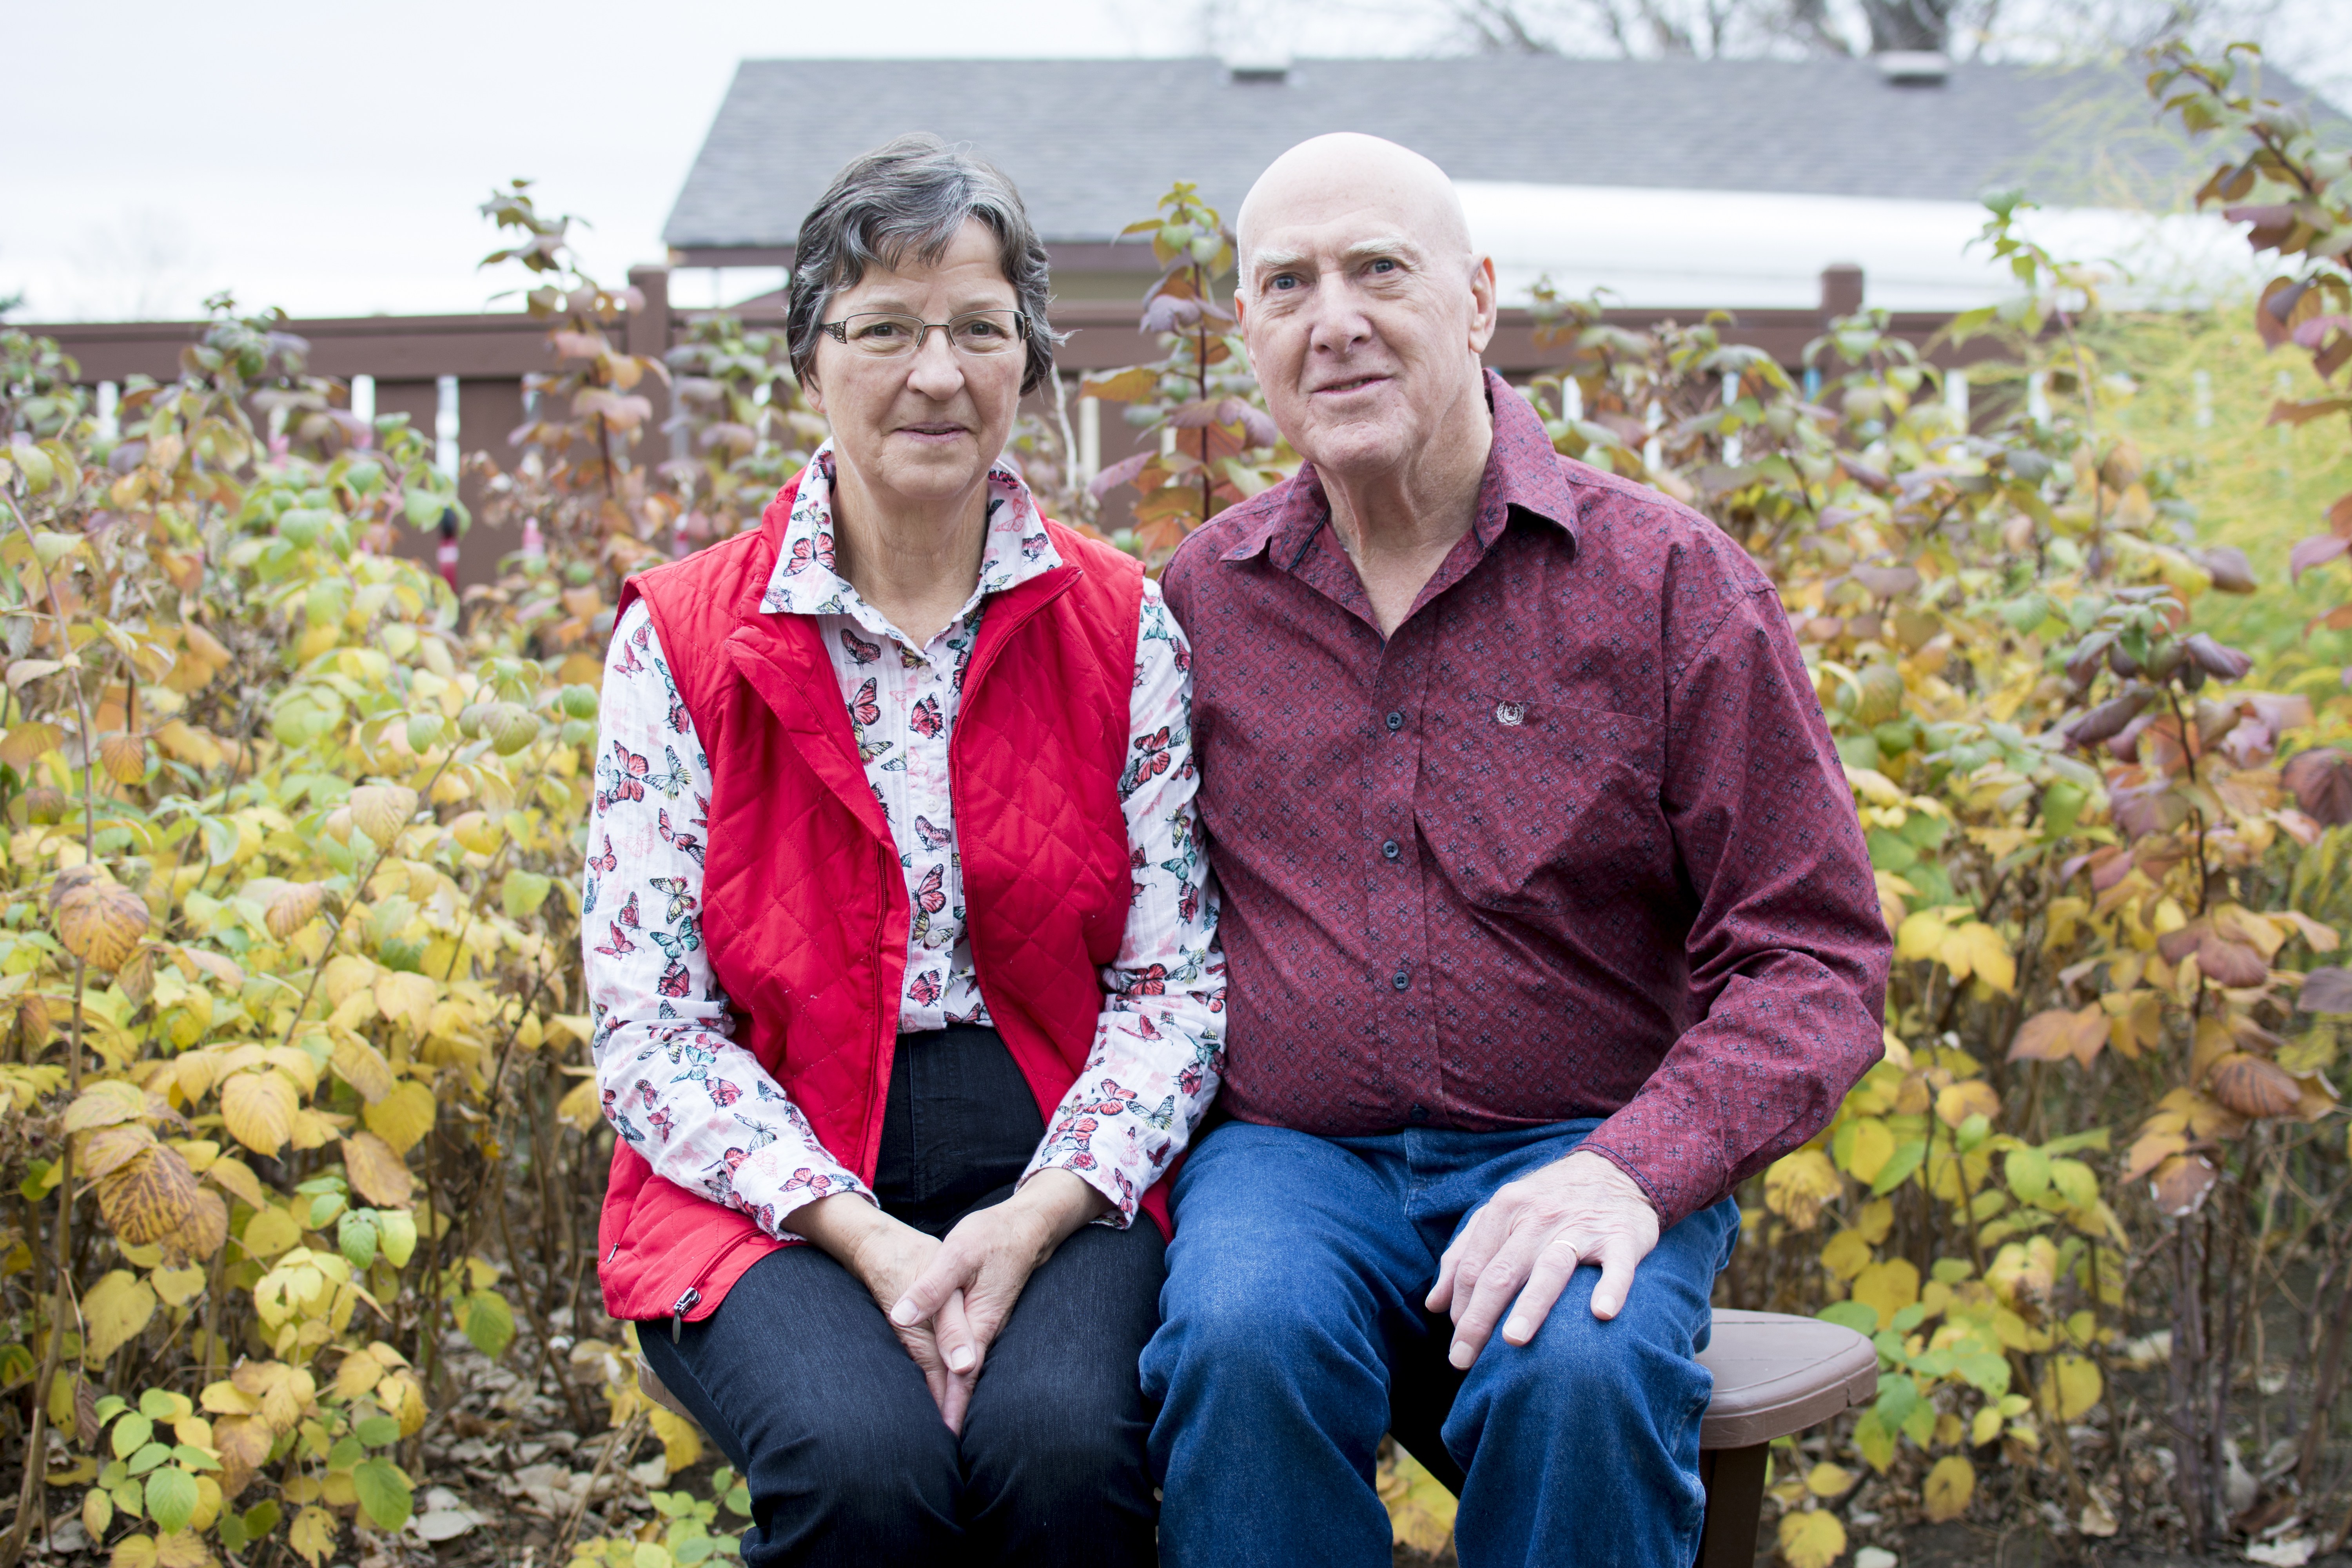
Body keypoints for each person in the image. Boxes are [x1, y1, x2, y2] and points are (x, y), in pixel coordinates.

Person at [1140, 132, 1893, 1568]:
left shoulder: (1667, 583)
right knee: (1239, 1342)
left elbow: (1815, 955)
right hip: (1295, 1162)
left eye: (1379, 270)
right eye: (1286, 284)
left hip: (1583, 1141)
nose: (1335, 318)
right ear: (1248, 333)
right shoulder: (1206, 597)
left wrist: (1635, 1169)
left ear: (1478, 298)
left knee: (1582, 1374)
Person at [583, 132, 1223, 1568]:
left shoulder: (1126, 626)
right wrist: (870, 1243)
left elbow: (1174, 987)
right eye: (884, 329)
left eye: (979, 331)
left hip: (1059, 1141)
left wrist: (1039, 1217)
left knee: (1061, 1453)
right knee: (861, 1468)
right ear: (811, 359)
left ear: (1028, 363)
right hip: (774, 1167)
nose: (935, 375)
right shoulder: (682, 639)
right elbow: (647, 1025)